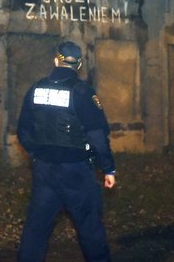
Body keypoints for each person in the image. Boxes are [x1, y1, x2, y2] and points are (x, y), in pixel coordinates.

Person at [16, 41, 117, 262]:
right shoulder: (83, 92)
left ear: (56, 60)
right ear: (78, 64)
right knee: (89, 226)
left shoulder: (36, 88)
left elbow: (23, 130)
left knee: (36, 228)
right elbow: (97, 135)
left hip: (44, 170)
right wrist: (108, 168)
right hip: (76, 170)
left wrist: (37, 153)